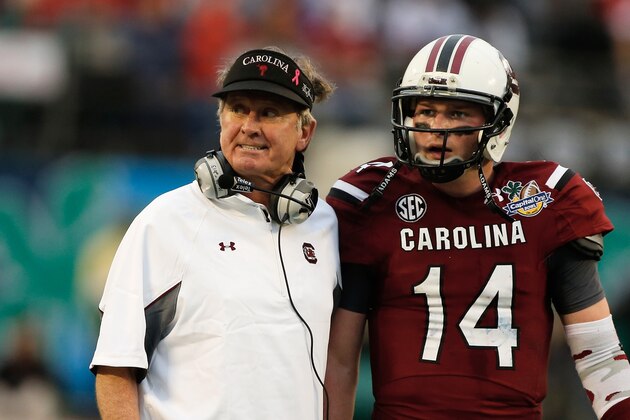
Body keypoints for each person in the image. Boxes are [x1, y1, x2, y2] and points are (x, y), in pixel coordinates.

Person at [324, 34, 630, 419]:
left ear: (498, 122)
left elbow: (599, 353)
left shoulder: (544, 199)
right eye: (426, 110)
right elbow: (338, 359)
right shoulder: (371, 197)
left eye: (456, 114)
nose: (436, 128)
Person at [90, 46, 339, 419]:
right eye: (238, 108)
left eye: (269, 113)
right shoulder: (165, 221)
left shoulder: (326, 226)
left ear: (305, 131)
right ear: (221, 119)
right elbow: (115, 368)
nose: (250, 126)